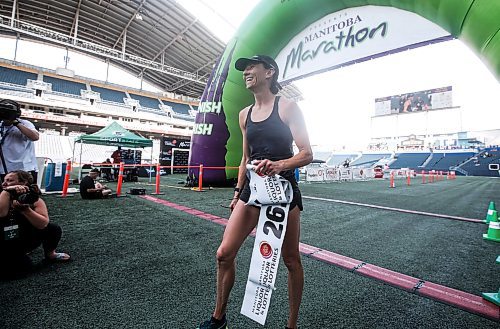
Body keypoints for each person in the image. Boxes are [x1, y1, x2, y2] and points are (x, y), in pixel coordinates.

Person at [197, 55, 313, 329]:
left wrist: (279, 164)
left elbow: (307, 153)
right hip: (252, 191)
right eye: (244, 69)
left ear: (269, 72)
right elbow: (244, 158)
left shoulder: (288, 107)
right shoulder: (244, 114)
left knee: (290, 259)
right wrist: (238, 192)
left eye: (252, 67)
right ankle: (218, 318)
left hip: (282, 193)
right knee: (224, 254)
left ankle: (291, 325)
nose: (246, 71)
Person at [0, 170, 70, 277]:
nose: (4, 184)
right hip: (5, 241)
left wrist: (25, 210)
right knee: (19, 271)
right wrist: (6, 192)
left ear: (23, 183)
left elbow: (42, 224)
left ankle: (50, 254)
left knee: (53, 229)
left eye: (10, 181)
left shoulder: (34, 199)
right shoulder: (3, 195)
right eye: (4, 180)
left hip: (23, 237)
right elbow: (1, 213)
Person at [0, 107, 40, 184]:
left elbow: (35, 137)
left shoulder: (25, 123)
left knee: (25, 194)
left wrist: (16, 123)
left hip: (23, 170)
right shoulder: (1, 124)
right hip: (3, 170)